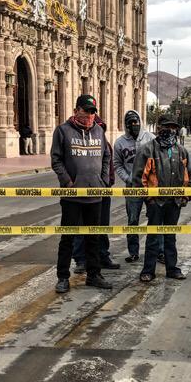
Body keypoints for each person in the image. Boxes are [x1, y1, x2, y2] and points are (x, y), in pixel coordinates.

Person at [52, 94, 113, 293]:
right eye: (86, 111)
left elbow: (106, 156)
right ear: (76, 110)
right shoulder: (63, 131)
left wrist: (103, 181)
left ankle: (94, 274)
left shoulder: (98, 131)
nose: (89, 115)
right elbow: (56, 160)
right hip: (72, 197)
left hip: (95, 195)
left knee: (93, 238)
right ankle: (63, 277)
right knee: (68, 238)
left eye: (93, 112)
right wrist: (68, 182)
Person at [133, 114, 191, 282]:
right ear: (159, 128)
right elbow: (138, 179)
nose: (171, 130)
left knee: (170, 237)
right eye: (167, 127)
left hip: (174, 203)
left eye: (174, 127)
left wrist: (186, 196)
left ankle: (172, 269)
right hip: (155, 203)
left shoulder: (181, 150)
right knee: (153, 237)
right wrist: (149, 200)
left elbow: (188, 176)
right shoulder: (147, 149)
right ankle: (148, 270)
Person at [71, 114, 120, 273]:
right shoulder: (81, 147)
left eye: (102, 129)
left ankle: (102, 256)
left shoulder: (106, 145)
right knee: (81, 226)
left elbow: (110, 168)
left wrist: (107, 183)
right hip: (83, 192)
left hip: (103, 192)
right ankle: (81, 260)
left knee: (102, 225)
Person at [114, 109, 156, 263]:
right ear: (126, 125)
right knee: (133, 221)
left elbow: (158, 161)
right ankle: (133, 252)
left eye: (136, 122)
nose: (134, 125)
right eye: (130, 123)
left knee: (155, 219)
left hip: (150, 187)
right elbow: (117, 165)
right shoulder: (120, 142)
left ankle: (157, 251)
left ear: (141, 122)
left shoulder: (151, 139)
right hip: (132, 188)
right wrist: (128, 179)